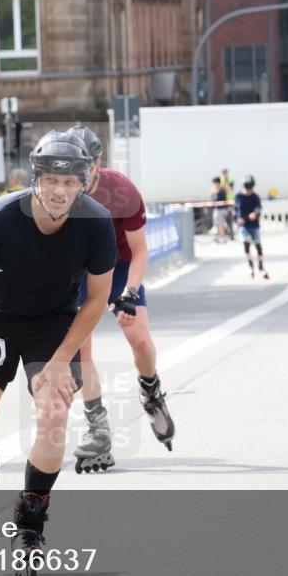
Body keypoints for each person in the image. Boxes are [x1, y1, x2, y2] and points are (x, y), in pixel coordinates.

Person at [0, 131, 116, 576]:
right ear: (36, 179)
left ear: (84, 182)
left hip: (52, 323)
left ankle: (29, 522)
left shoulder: (97, 222)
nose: (60, 191)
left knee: (55, 413)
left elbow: (96, 300)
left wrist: (63, 359)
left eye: (70, 182)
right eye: (51, 181)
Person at [66, 125, 177, 473]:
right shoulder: (58, 190)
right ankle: (97, 427)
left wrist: (129, 293)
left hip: (120, 264)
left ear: (98, 162)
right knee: (80, 347)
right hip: (81, 269)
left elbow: (140, 250)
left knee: (139, 339)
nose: (79, 174)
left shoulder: (122, 191)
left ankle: (151, 391)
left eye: (85, 165)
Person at [236, 175, 269, 279]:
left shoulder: (255, 197)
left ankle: (261, 266)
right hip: (243, 225)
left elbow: (258, 209)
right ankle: (250, 266)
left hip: (254, 224)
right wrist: (236, 219)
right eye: (246, 188)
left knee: (258, 246)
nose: (248, 191)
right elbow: (235, 209)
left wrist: (255, 213)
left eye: (249, 188)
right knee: (246, 242)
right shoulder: (238, 196)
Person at [210, 176, 232, 243]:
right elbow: (211, 196)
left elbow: (230, 191)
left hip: (222, 209)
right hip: (216, 209)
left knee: (220, 224)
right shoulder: (214, 190)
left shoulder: (222, 189)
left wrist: (224, 182)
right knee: (217, 224)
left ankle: (223, 237)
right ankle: (221, 236)